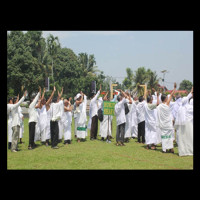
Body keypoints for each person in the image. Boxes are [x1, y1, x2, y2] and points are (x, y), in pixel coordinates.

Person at [156, 83, 176, 153]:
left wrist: (157, 96)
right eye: (167, 98)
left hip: (163, 124)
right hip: (168, 124)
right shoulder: (166, 105)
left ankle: (164, 149)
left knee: (164, 137)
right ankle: (170, 148)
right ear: (165, 99)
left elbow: (170, 96)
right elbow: (171, 95)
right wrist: (174, 88)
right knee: (169, 137)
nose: (168, 99)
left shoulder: (159, 106)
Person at [174, 87, 193, 156]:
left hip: (181, 126)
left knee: (183, 140)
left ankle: (183, 151)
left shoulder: (180, 108)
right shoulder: (189, 107)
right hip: (189, 125)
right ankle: (189, 150)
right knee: (189, 138)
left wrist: (191, 92)